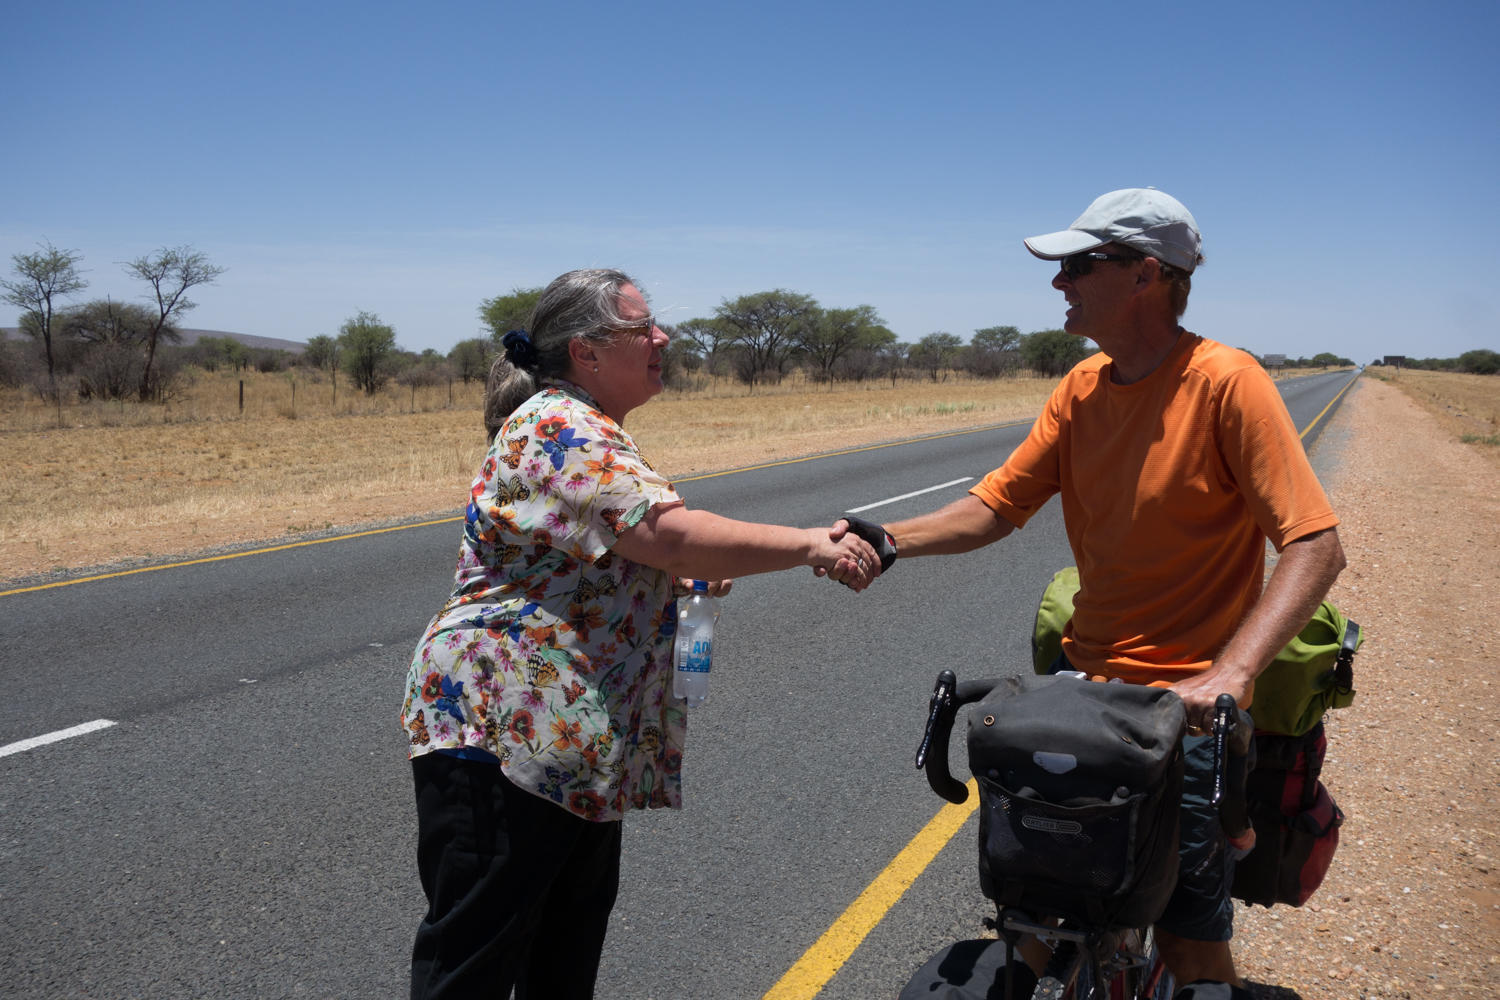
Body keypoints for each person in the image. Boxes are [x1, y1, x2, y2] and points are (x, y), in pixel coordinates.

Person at [862, 189, 1346, 999]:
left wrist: (1230, 676)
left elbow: (1315, 544)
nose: (1060, 282)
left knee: (1189, 942)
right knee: (1032, 920)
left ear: (1146, 275)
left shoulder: (1227, 383)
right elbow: (996, 506)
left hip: (1185, 712)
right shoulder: (1083, 386)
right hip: (1085, 695)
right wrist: (887, 541)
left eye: (1080, 265)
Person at [399, 267, 879, 1000]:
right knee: (473, 960)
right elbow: (670, 536)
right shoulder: (557, 426)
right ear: (586, 351)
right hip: (504, 731)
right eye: (641, 326)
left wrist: (670, 584)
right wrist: (813, 544)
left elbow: (613, 553)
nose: (663, 337)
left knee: (562, 960)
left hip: (570, 740)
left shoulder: (594, 429)